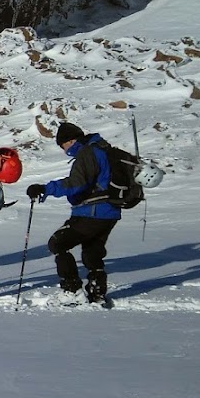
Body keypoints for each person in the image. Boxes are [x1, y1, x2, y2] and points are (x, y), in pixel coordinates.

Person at [26, 122, 120, 304]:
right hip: (110, 212)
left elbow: (76, 183)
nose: (64, 150)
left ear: (72, 140)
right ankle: (97, 293)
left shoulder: (88, 152)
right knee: (92, 252)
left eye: (63, 145)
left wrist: (46, 188)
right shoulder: (103, 149)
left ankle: (71, 290)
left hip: (91, 211)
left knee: (58, 243)